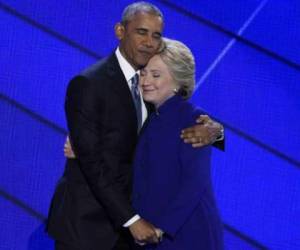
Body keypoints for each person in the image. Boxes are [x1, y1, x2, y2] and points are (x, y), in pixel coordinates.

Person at [47, 2, 224, 250]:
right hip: (89, 228)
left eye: (156, 35)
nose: (149, 42)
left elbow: (182, 131)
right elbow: (93, 161)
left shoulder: (152, 92)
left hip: (138, 230)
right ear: (120, 31)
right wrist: (132, 221)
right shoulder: (89, 84)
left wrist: (217, 131)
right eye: (141, 32)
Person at [131, 38, 224, 249]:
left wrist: (161, 228)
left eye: (156, 75)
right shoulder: (148, 114)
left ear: (177, 83)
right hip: (148, 233)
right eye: (143, 72)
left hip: (185, 235)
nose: (145, 81)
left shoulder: (195, 121)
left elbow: (194, 183)